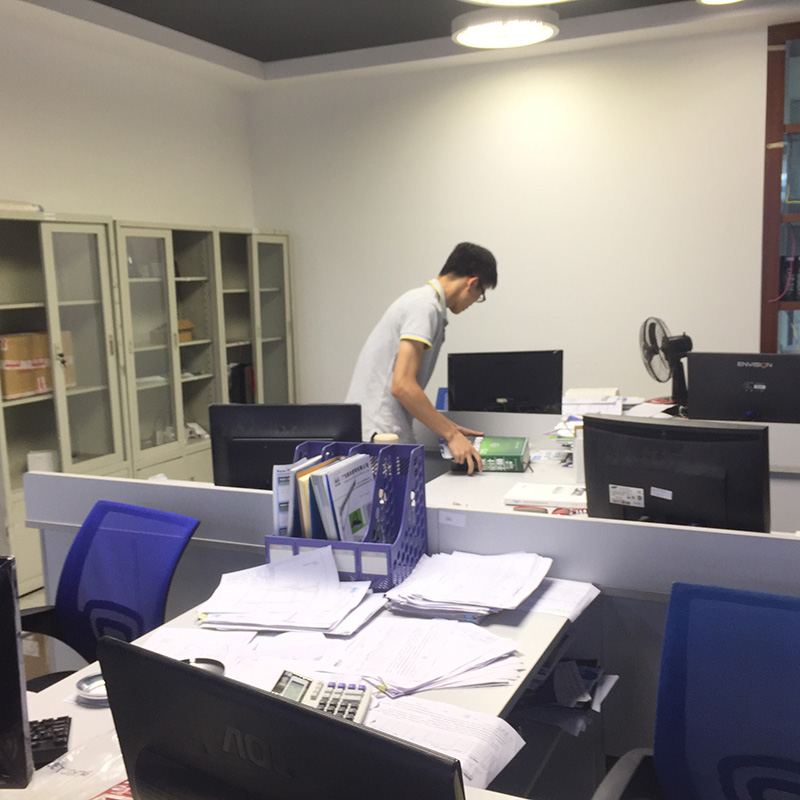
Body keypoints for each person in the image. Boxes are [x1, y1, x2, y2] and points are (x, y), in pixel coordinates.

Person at [345, 242, 497, 474]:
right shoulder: (423, 307)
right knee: (391, 497)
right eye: (481, 293)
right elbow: (403, 386)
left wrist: (449, 427)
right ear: (472, 283)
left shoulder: (425, 304)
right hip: (379, 436)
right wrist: (450, 434)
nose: (475, 301)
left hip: (378, 432)